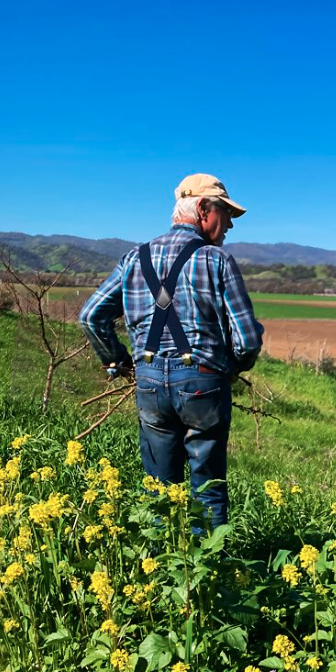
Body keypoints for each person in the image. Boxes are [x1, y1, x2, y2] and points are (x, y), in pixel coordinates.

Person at [79, 174, 264, 528]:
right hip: (203, 384)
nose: (228, 226)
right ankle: (207, 575)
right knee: (207, 491)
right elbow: (247, 341)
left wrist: (118, 361)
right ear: (203, 209)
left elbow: (90, 317)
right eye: (225, 215)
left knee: (159, 492)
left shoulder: (134, 258)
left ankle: (162, 574)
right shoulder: (217, 261)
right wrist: (229, 368)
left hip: (148, 383)